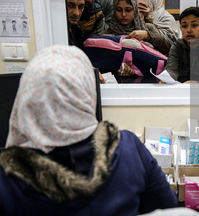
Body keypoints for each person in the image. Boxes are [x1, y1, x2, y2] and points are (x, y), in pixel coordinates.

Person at [0, 45, 178, 216]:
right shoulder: (128, 148)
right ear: (86, 94)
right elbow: (168, 209)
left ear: (26, 98)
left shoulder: (7, 181)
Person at [101, 0, 173, 76]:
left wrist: (148, 36)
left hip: (151, 80)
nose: (123, 14)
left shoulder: (147, 28)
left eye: (128, 10)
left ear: (135, 10)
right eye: (119, 10)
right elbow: (101, 65)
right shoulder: (107, 34)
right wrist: (116, 71)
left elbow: (170, 48)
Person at [161, 7, 199, 83]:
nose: (189, 30)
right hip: (181, 89)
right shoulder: (177, 46)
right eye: (184, 26)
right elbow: (171, 69)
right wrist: (166, 78)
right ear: (180, 28)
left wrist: (198, 84)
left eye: (194, 25)